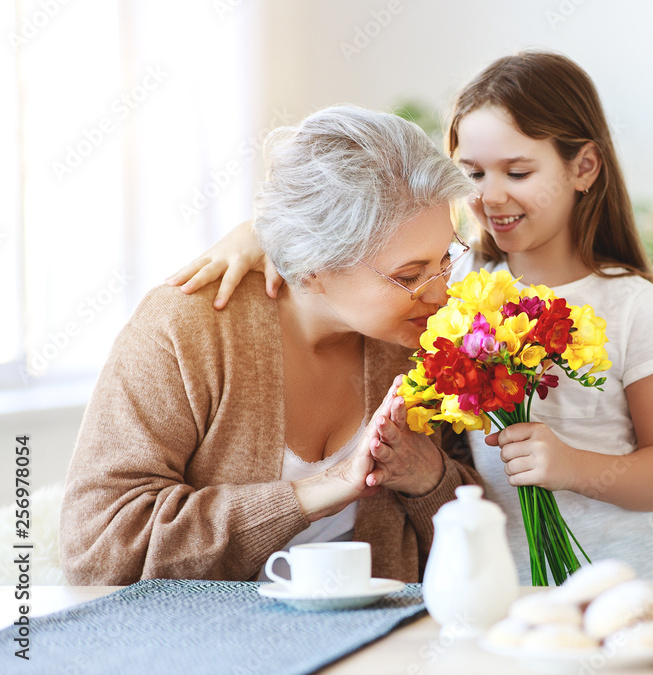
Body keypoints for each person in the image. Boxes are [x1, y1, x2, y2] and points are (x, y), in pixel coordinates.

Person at [168, 52, 653, 586]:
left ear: (583, 167)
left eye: (517, 171)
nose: (490, 196)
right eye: (472, 173)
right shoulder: (451, 281)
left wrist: (572, 467)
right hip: (502, 582)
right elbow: (354, 225)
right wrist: (257, 235)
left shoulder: (633, 304)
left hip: (635, 579)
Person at [60, 106, 483, 586]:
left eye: (446, 257)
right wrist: (321, 489)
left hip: (376, 647)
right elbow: (98, 551)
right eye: (410, 275)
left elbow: (480, 540)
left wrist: (427, 475)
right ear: (311, 269)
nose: (441, 291)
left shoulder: (417, 339)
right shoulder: (186, 331)